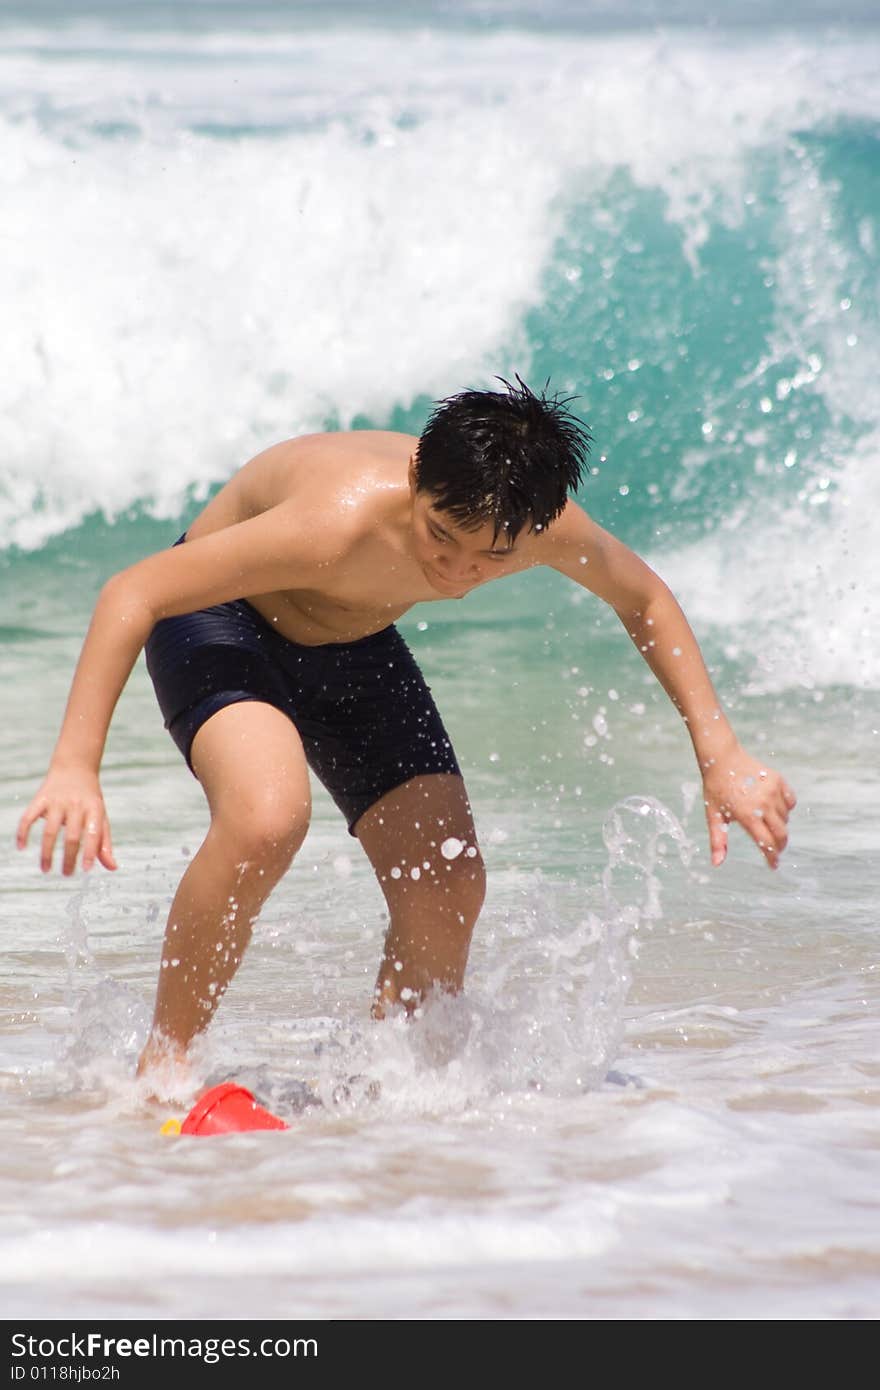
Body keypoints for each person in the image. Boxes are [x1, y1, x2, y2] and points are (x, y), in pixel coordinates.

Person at [16, 377, 796, 1084]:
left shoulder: (541, 526)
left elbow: (646, 599)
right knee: (266, 819)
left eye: (489, 558)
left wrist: (719, 751)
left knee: (449, 879)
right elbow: (135, 591)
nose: (455, 572)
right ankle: (165, 1068)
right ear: (418, 480)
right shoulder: (336, 521)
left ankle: (399, 1080)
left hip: (351, 641)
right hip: (223, 620)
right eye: (438, 538)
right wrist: (75, 766)